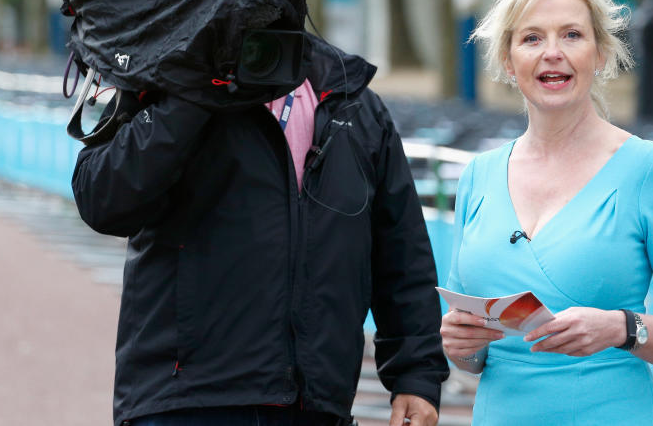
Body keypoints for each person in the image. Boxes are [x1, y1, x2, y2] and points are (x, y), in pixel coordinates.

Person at [71, 24, 449, 425]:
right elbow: (101, 199)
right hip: (186, 403)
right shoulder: (166, 76)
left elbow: (401, 251)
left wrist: (416, 374)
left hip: (316, 404)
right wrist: (194, 88)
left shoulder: (351, 98)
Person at [439, 0, 653, 425]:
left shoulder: (650, 170)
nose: (552, 52)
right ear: (509, 62)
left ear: (601, 54)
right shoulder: (478, 176)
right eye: (532, 38)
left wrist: (620, 328)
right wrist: (460, 348)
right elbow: (472, 350)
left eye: (572, 35)